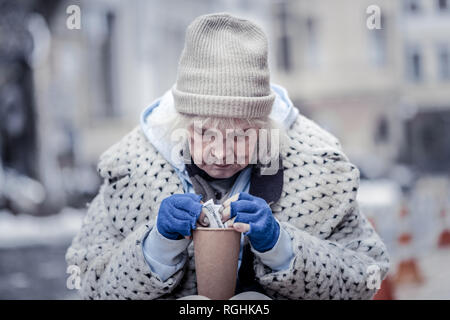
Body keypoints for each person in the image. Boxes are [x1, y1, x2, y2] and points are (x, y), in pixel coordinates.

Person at [66, 12, 390, 300]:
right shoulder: (130, 171)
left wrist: (281, 246)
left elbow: (365, 275)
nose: (221, 153)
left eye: (241, 136)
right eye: (205, 134)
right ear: (179, 124)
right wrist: (157, 244)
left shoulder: (319, 171)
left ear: (266, 129)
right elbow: (89, 283)